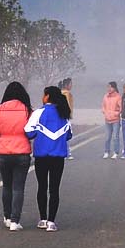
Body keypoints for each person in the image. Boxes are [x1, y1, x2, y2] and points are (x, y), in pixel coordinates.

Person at [24, 85, 73, 231]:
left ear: (47, 96)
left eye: (43, 95)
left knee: (42, 187)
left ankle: (43, 219)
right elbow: (69, 134)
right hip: (58, 156)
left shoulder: (39, 113)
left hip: (41, 156)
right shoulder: (64, 113)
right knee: (54, 189)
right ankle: (52, 222)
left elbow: (28, 132)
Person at [0, 82, 34, 230]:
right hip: (22, 153)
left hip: (4, 152)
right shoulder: (27, 110)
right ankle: (15, 221)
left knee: (6, 186)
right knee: (18, 188)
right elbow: (31, 132)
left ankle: (7, 217)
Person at [99, 81, 123, 159]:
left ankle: (116, 152)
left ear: (114, 88)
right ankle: (106, 151)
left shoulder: (118, 97)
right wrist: (104, 112)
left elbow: (121, 108)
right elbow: (103, 106)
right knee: (107, 137)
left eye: (110, 87)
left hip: (115, 120)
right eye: (108, 87)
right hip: (107, 120)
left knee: (115, 137)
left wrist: (115, 113)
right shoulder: (105, 96)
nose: (109, 89)